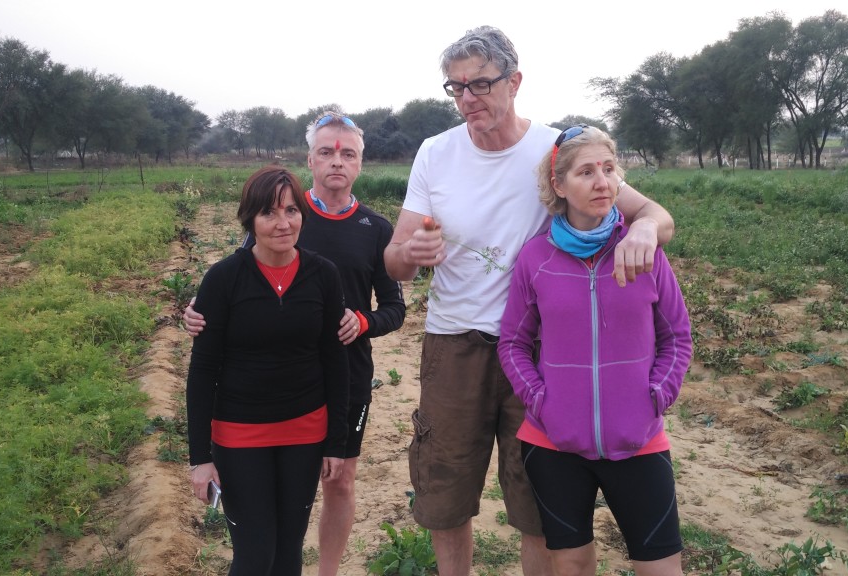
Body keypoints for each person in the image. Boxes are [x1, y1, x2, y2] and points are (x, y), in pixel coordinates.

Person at [382, 26, 676, 576]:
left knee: (538, 501)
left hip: (542, 352)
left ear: (514, 82)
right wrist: (412, 252)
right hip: (455, 344)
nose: (468, 99)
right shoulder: (435, 153)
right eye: (456, 88)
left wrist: (642, 232)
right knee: (444, 491)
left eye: (480, 84)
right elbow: (394, 259)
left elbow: (655, 215)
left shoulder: (554, 149)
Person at [184, 112, 406, 575]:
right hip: (256, 399)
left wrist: (363, 321)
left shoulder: (376, 228)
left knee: (340, 482)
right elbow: (242, 279)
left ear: (361, 163)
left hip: (339, 381)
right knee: (258, 544)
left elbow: (395, 308)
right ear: (311, 159)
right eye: (326, 152)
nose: (336, 162)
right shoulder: (281, 208)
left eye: (348, 154)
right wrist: (199, 308)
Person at [497, 124, 692, 576]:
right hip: (554, 443)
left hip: (639, 438)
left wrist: (656, 395)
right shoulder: (536, 257)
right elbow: (514, 343)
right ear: (559, 185)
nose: (602, 182)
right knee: (572, 567)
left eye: (608, 169)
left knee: (661, 569)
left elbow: (677, 336)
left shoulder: (642, 250)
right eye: (586, 172)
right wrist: (543, 402)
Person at [186, 165, 350, 576]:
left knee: (288, 551)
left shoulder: (322, 275)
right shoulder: (224, 279)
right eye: (269, 213)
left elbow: (335, 360)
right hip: (240, 435)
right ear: (250, 219)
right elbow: (203, 370)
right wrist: (199, 459)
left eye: (291, 211)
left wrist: (336, 443)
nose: (283, 223)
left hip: (305, 431)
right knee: (255, 555)